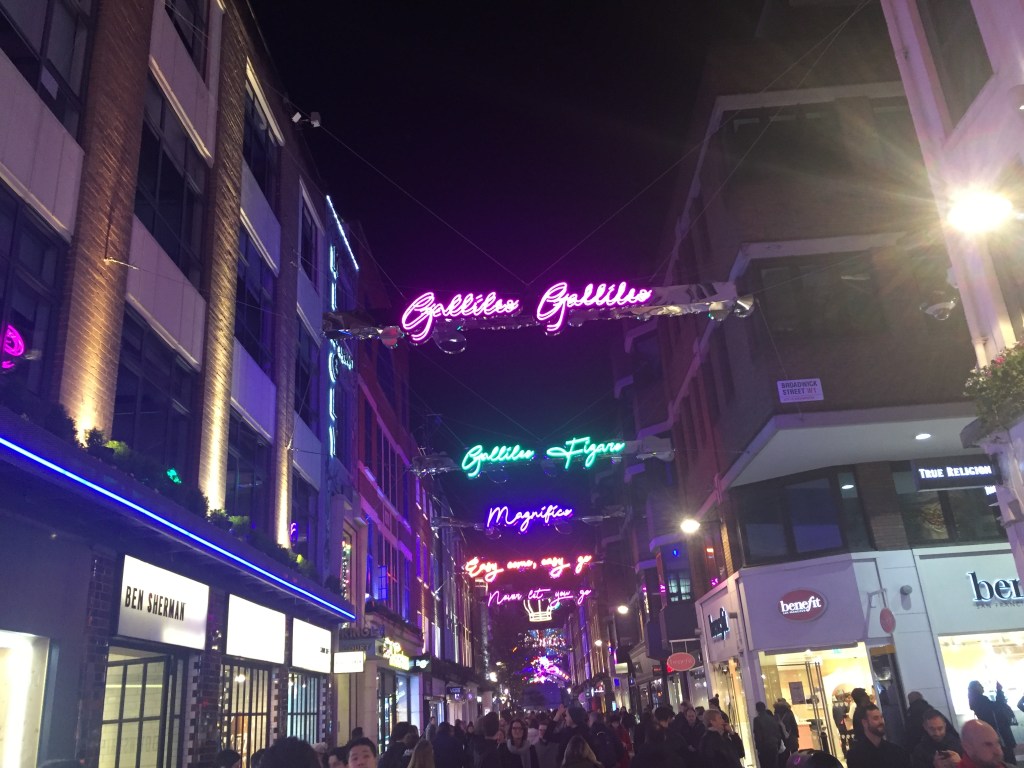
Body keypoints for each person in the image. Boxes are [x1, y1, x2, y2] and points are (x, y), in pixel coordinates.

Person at [845, 704, 911, 768]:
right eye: (875, 718)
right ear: (865, 723)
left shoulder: (896, 752)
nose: (881, 722)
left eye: (881, 717)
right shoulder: (855, 756)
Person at [969, 682, 1017, 765]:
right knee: (1007, 756)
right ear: (976, 688)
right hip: (999, 731)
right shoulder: (981, 700)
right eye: (980, 685)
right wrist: (999, 691)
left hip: (992, 730)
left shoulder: (975, 701)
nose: (982, 687)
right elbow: (998, 706)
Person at [753, 701, 784, 768]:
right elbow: (778, 734)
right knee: (774, 765)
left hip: (764, 748)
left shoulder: (757, 720)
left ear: (757, 709)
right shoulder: (772, 719)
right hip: (774, 746)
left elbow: (758, 736)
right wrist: (778, 745)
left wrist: (758, 748)